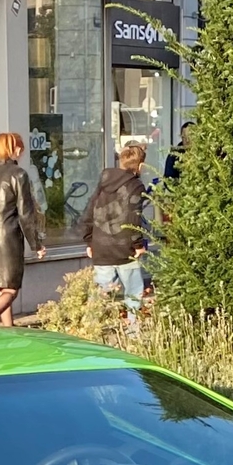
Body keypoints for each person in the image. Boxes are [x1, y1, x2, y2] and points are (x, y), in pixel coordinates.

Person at [0, 131, 45, 325]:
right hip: (6, 236)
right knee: (12, 288)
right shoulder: (18, 174)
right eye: (20, 149)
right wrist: (37, 244)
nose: (21, 153)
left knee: (2, 284)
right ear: (15, 149)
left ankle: (8, 327)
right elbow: (26, 214)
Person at [85, 136, 152, 326]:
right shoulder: (135, 186)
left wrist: (89, 240)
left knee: (100, 293)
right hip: (125, 249)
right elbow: (133, 217)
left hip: (102, 245)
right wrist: (138, 245)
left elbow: (90, 210)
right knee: (133, 292)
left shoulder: (104, 181)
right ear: (139, 166)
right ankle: (133, 334)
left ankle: (88, 331)